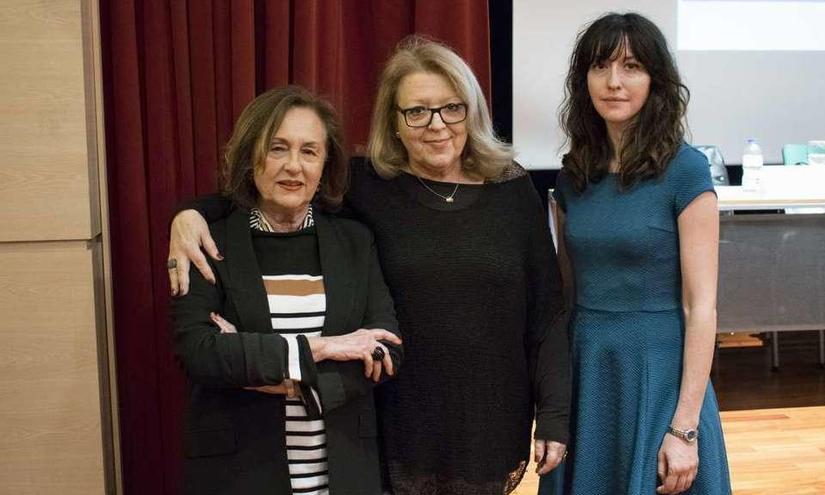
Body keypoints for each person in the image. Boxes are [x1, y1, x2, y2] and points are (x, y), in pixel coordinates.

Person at [168, 37, 570, 495]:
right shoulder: (368, 185)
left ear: (471, 111)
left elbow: (548, 313)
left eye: (451, 108)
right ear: (394, 122)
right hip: (395, 423)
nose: (436, 125)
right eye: (417, 111)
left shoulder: (511, 190)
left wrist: (554, 414)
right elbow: (276, 189)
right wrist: (187, 215)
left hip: (491, 418)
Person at [170, 85, 402, 495]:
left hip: (345, 475)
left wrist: (266, 372)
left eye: (309, 151)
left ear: (324, 164)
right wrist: (326, 348)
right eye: (278, 148)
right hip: (241, 475)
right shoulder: (209, 242)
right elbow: (201, 353)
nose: (293, 166)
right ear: (251, 157)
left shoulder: (354, 241)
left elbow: (385, 348)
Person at [538, 13, 731, 495]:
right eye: (601, 67)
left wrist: (685, 427)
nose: (614, 82)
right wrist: (554, 407)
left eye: (632, 67)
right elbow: (566, 294)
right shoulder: (573, 177)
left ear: (655, 80)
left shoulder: (685, 171)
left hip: (661, 373)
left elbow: (701, 306)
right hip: (589, 370)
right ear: (584, 80)